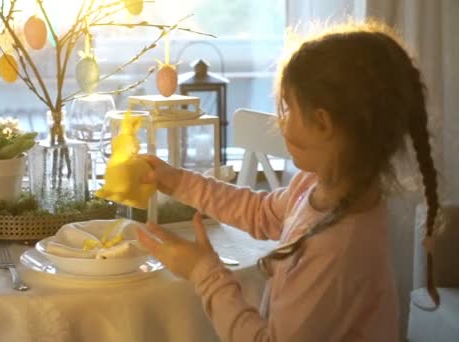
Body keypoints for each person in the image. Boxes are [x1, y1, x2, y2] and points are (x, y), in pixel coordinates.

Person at [137, 20, 442, 342]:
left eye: (287, 108)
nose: (280, 122)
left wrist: (204, 273)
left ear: (322, 123)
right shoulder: (316, 187)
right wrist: (177, 182)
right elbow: (260, 211)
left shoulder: (337, 250)